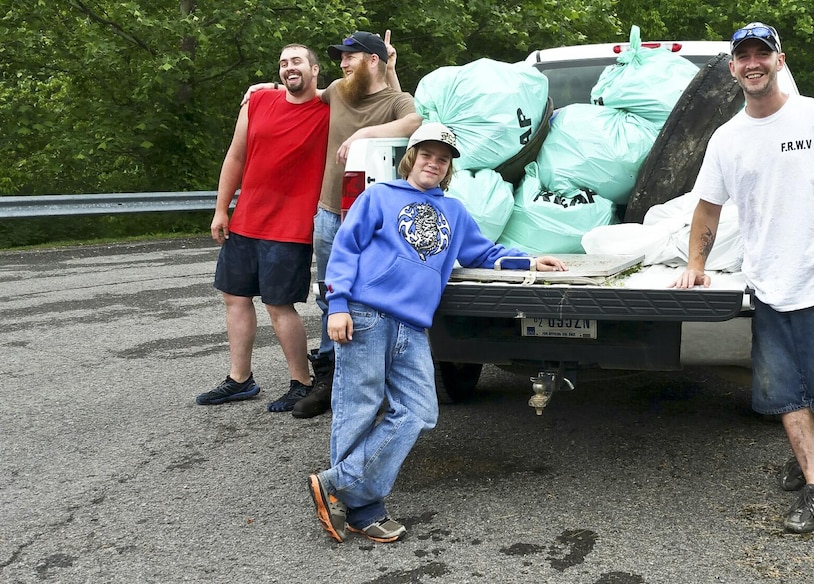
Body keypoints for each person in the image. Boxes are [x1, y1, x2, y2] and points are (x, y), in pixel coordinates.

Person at [307, 123, 566, 543]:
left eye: (443, 159)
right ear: (411, 158)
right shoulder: (379, 197)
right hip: (366, 313)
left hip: (413, 324)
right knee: (359, 406)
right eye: (427, 154)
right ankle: (364, 509)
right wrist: (336, 305)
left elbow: (484, 253)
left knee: (420, 411)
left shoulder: (455, 212)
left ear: (448, 169)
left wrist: (531, 261)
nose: (434, 162)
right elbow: (345, 249)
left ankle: (338, 480)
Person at [671, 22, 814, 534]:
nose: (753, 63)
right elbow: (707, 208)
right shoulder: (727, 138)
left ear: (779, 61)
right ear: (732, 69)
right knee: (784, 390)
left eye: (762, 53)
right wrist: (696, 264)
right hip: (768, 286)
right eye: (743, 56)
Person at [244, 29, 422, 419]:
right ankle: (328, 379)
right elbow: (304, 91)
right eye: (340, 58)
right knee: (331, 295)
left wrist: (364, 134)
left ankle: (380, 378)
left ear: (372, 61)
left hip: (376, 222)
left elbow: (414, 124)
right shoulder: (339, 91)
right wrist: (268, 86)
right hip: (329, 215)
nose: (342, 64)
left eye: (350, 57)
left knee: (373, 294)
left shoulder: (396, 100)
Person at [197, 45, 330, 413]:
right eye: (283, 63)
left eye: (297, 62)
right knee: (234, 296)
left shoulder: (329, 107)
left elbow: (369, 93)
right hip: (247, 218)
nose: (289, 68)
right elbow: (235, 156)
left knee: (278, 304)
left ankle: (302, 382)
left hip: (290, 225)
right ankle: (240, 380)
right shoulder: (257, 103)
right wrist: (221, 209)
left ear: (315, 69)